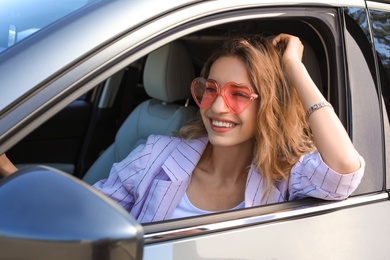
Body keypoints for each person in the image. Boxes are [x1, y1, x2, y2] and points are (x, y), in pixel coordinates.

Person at [0, 34, 365, 224]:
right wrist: (11, 174)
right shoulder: (157, 153)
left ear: (267, 105)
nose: (218, 106)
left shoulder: (287, 175)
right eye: (210, 89)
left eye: (239, 94)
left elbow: (345, 170)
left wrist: (292, 67)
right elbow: (86, 218)